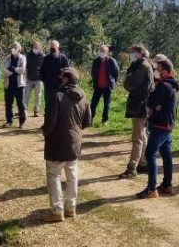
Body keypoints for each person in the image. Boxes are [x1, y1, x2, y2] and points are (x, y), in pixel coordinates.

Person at [40, 67, 92, 223]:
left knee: (54, 175)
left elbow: (50, 123)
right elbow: (87, 121)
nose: (59, 77)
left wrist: (45, 132)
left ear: (66, 79)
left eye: (61, 76)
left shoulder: (58, 96)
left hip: (57, 142)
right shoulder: (84, 96)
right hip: (75, 142)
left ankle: (57, 211)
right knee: (72, 175)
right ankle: (71, 208)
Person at [137, 57, 179, 199]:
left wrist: (155, 103)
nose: (156, 71)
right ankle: (167, 185)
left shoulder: (164, 86)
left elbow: (150, 101)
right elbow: (155, 102)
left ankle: (151, 188)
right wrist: (156, 104)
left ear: (165, 71)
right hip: (168, 124)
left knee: (150, 154)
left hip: (160, 124)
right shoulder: (171, 85)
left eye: (158, 69)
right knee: (166, 154)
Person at [118, 44, 154, 179]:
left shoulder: (143, 67)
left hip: (140, 105)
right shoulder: (142, 65)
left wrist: (129, 75)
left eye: (134, 52)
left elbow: (128, 84)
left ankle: (132, 168)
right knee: (142, 135)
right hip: (141, 104)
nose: (131, 55)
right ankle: (144, 163)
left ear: (140, 53)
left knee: (137, 137)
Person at [89, 44, 119, 124]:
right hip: (98, 85)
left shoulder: (112, 61)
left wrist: (113, 82)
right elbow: (93, 72)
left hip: (107, 86)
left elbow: (116, 73)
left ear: (107, 52)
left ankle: (105, 120)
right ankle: (90, 119)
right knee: (93, 103)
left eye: (103, 51)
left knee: (107, 104)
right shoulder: (96, 61)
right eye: (100, 51)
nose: (101, 52)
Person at [39, 39, 70, 111]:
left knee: (59, 105)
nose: (52, 48)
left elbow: (68, 72)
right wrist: (45, 81)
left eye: (54, 47)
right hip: (48, 87)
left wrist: (63, 82)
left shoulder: (64, 59)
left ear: (58, 47)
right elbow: (41, 71)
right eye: (51, 46)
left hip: (60, 86)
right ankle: (47, 120)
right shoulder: (46, 58)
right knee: (48, 104)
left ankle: (58, 121)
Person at [3, 42, 28, 128]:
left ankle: (22, 122)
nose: (14, 49)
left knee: (20, 103)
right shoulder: (7, 58)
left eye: (15, 48)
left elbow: (23, 70)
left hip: (19, 85)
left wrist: (13, 68)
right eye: (13, 47)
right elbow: (5, 70)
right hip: (9, 84)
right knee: (8, 103)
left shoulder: (23, 58)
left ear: (19, 49)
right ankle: (9, 121)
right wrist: (13, 71)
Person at [26, 41, 45, 117]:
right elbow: (26, 65)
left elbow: (44, 68)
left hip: (38, 79)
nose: (36, 48)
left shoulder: (43, 56)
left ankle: (36, 111)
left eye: (37, 47)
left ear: (40, 47)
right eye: (35, 46)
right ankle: (24, 109)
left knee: (38, 95)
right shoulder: (29, 55)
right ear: (33, 47)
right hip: (29, 78)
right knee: (26, 95)